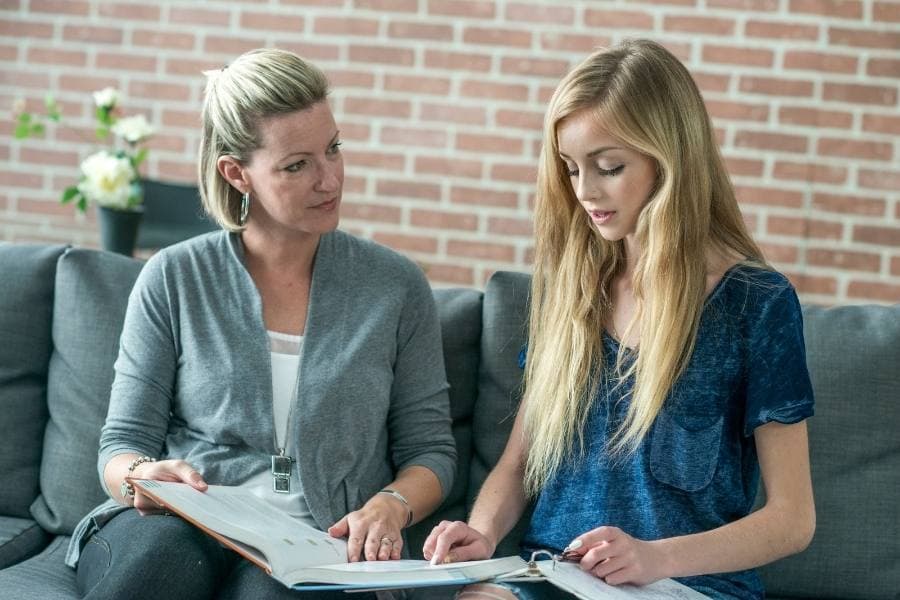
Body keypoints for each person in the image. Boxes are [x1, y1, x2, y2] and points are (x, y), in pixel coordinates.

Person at [423, 39, 815, 600]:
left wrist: (655, 557)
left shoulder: (757, 302)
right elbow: (518, 463)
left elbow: (793, 520)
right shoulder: (573, 291)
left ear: (670, 158)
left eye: (608, 167)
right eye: (570, 168)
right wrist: (481, 533)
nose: (584, 191)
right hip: (553, 578)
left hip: (686, 587)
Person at [65, 48, 456, 600]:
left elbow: (431, 451)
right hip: (181, 526)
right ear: (236, 173)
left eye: (333, 149)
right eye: (297, 165)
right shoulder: (173, 277)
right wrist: (139, 477)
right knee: (157, 567)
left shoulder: (394, 286)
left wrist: (391, 504)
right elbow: (123, 445)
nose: (330, 179)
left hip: (315, 539)